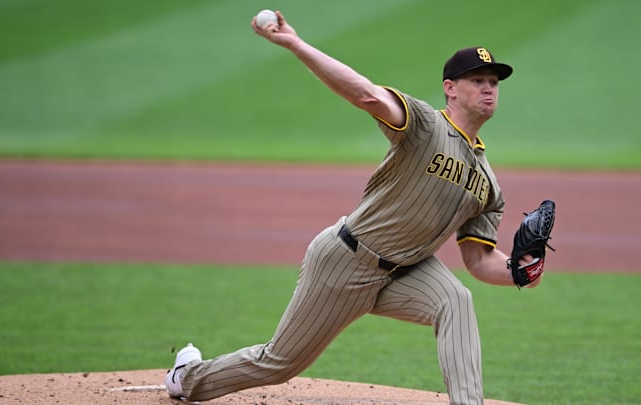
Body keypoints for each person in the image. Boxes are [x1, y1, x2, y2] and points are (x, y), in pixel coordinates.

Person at [165, 10, 544, 405]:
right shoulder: (424, 126)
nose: (489, 88)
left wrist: (522, 270)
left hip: (406, 271)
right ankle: (186, 377)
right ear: (450, 88)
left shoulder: (488, 184)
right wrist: (295, 43)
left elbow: (479, 261)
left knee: (456, 300)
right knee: (280, 363)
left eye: (494, 82)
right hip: (345, 260)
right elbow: (365, 94)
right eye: (478, 80)